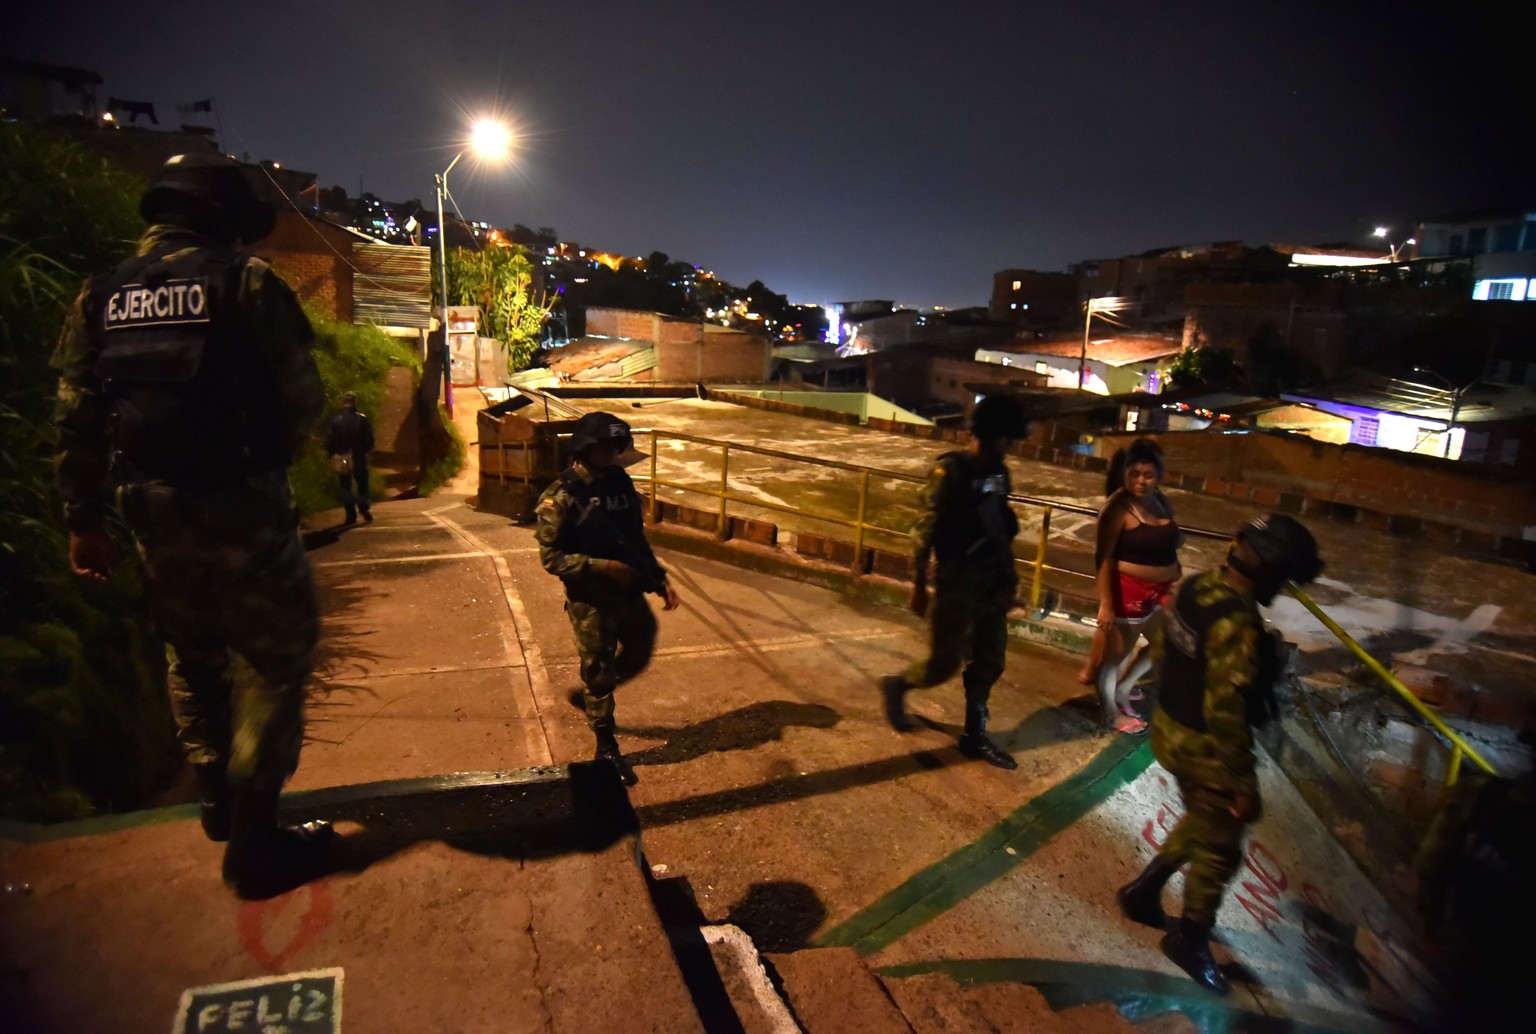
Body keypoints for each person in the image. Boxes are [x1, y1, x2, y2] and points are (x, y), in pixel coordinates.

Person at [53, 153, 333, 900]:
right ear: (222, 218)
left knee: (193, 656)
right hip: (244, 510)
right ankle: (255, 842)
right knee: (274, 665)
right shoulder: (244, 284)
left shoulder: (98, 297)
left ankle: (214, 802)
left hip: (152, 514)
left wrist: (84, 522)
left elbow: (75, 421)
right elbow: (305, 401)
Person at [1115, 513, 1323, 994]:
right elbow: (1226, 711)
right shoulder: (1238, 623)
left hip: (1170, 729)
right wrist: (1242, 783)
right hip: (1204, 744)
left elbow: (1164, 650)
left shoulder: (1197, 586)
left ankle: (1144, 892)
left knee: (1204, 819)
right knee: (1221, 847)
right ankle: (1190, 939)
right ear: (1269, 571)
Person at [880, 396, 1031, 770]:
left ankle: (974, 735)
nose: (1010, 446)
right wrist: (917, 583)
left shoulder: (999, 473)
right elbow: (924, 528)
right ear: (991, 434)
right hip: (957, 581)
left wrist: (1010, 579)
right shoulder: (952, 471)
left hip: (992, 581)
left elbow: (999, 529)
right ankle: (899, 685)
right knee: (944, 663)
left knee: (990, 659)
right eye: (1006, 438)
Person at [534, 412, 680, 786]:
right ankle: (605, 747)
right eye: (603, 446)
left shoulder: (620, 483)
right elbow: (552, 559)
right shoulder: (561, 496)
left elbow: (633, 537)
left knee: (641, 646)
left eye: (616, 446)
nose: (611, 453)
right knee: (599, 673)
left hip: (628, 590)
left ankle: (593, 698)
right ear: (585, 448)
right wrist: (603, 567)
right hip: (591, 601)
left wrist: (659, 579)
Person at [1078, 438, 1181, 735]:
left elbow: (1172, 534)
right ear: (1124, 474)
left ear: (1158, 476)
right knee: (1115, 656)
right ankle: (1109, 712)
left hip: (1159, 592)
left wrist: (1173, 564)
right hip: (1129, 592)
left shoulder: (1160, 499)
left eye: (1148, 475)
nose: (1141, 481)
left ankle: (1124, 689)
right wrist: (1106, 604)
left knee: (1165, 642)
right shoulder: (1117, 508)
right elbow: (1103, 558)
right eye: (1134, 475)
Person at [325, 390, 374, 524]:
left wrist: (332, 455)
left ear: (342, 403)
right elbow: (369, 440)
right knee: (362, 483)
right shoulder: (362, 419)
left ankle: (350, 514)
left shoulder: (336, 420)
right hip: (358, 457)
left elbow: (330, 441)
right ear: (355, 402)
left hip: (342, 458)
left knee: (345, 486)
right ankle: (363, 508)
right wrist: (366, 451)